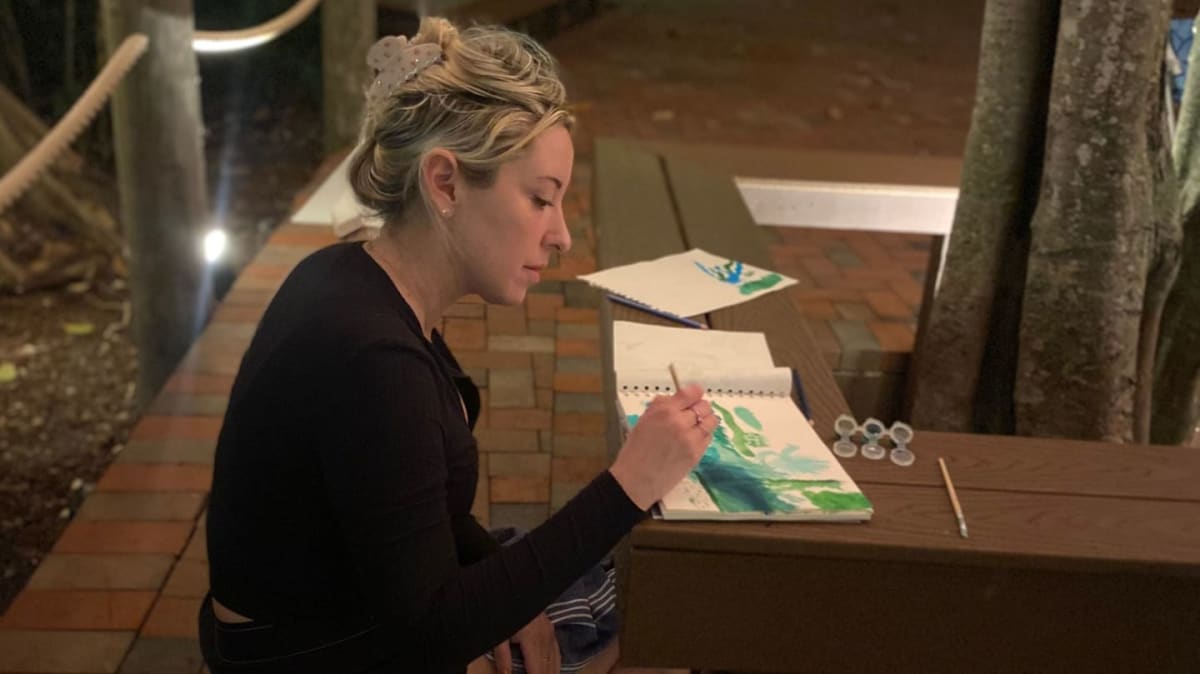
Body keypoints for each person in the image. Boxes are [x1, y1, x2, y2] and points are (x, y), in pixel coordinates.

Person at [199, 16, 718, 674]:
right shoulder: (373, 362)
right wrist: (630, 484)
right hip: (307, 651)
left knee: (628, 594)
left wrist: (508, 584)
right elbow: (432, 632)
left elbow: (415, 517)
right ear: (444, 182)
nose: (561, 236)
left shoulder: (347, 275)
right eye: (541, 200)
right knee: (663, 628)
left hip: (327, 610)